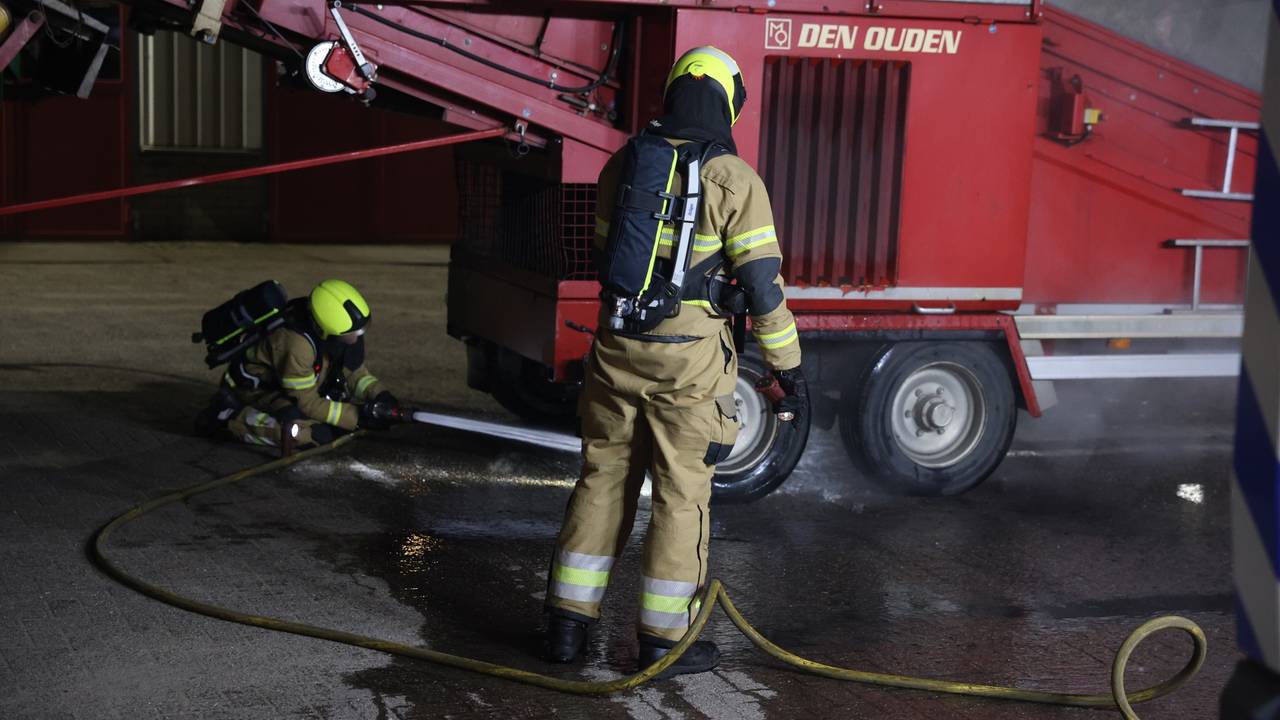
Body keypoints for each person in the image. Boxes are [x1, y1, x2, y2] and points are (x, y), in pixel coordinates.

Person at [543, 46, 807, 677]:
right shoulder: (735, 180)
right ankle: (665, 642)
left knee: (601, 481)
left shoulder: (622, 165)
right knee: (680, 496)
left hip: (615, 351)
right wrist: (789, 368)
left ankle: (564, 631)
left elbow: (612, 260)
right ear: (727, 101)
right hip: (689, 365)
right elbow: (764, 289)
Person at [196, 279, 399, 448]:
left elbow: (352, 371)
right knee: (310, 435)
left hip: (290, 384)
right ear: (324, 331)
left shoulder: (333, 332)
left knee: (334, 418)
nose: (355, 339)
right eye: (351, 335)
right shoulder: (297, 346)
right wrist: (357, 417)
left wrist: (380, 395)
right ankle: (228, 418)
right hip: (255, 389)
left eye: (359, 331)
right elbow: (307, 403)